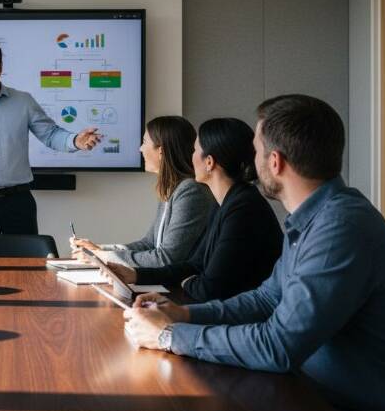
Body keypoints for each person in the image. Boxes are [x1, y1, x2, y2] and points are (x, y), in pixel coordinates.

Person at [124, 95, 385, 411]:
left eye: (256, 150)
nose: (251, 160)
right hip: (309, 392)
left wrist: (169, 336)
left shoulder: (339, 229)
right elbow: (266, 299)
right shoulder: (314, 218)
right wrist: (182, 314)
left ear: (275, 162)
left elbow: (278, 346)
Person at [97, 118, 282, 302]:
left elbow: (209, 288)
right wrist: (136, 275)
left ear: (209, 162)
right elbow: (195, 265)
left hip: (239, 320)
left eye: (194, 150)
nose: (190, 156)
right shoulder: (226, 203)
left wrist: (186, 282)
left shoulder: (242, 209)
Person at [0, 39, 102, 236]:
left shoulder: (23, 101)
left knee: (28, 265)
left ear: (1, 67)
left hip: (19, 202)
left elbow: (50, 134)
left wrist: (75, 140)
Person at [71, 116, 215, 267]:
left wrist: (102, 257)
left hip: (177, 286)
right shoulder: (170, 188)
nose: (140, 149)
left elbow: (166, 258)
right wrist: (99, 249)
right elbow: (149, 243)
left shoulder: (190, 191)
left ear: (161, 151)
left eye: (145, 142)